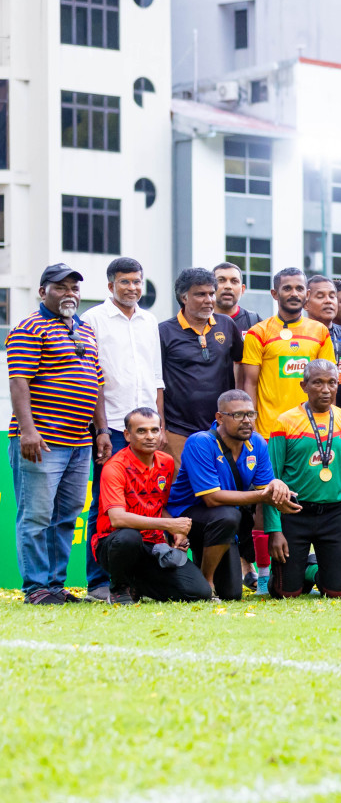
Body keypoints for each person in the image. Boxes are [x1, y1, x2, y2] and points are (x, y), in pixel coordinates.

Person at [6, 263, 108, 604]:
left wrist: (102, 431)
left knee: (66, 517)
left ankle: (55, 584)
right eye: (61, 287)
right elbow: (19, 382)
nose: (69, 293)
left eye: (74, 288)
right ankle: (36, 588)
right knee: (36, 516)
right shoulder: (29, 328)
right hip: (42, 441)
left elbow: (97, 384)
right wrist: (28, 431)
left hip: (80, 442)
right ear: (42, 292)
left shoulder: (85, 331)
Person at [80, 256, 165, 599]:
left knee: (148, 501)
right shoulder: (92, 320)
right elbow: (92, 379)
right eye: (125, 282)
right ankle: (98, 582)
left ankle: (135, 581)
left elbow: (157, 379)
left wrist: (159, 429)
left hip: (147, 428)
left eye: (137, 282)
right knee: (104, 505)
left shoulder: (149, 320)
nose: (132, 288)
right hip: (112, 426)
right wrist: (100, 429)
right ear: (110, 285)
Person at [166, 389, 299, 600]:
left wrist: (280, 494)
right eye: (238, 415)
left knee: (232, 593)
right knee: (228, 515)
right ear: (219, 418)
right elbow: (212, 499)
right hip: (185, 518)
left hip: (222, 524)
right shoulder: (200, 442)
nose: (246, 421)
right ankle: (205, 582)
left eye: (250, 414)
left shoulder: (257, 443)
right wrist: (264, 496)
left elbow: (265, 489)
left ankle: (206, 572)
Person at [264, 360, 341, 598]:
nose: (326, 389)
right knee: (285, 593)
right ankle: (300, 570)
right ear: (304, 386)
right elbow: (271, 479)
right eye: (318, 382)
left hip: (335, 514)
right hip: (294, 513)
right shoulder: (285, 422)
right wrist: (274, 531)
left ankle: (312, 571)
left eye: (332, 382)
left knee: (338, 591)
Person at [93, 407, 212, 603]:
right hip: (114, 543)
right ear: (127, 435)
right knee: (128, 538)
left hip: (154, 545)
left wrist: (177, 531)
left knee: (199, 592)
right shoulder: (115, 467)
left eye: (154, 430)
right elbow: (117, 518)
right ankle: (118, 588)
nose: (150, 436)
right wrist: (169, 525)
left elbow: (160, 506)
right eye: (141, 431)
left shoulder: (166, 462)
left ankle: (137, 584)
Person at [241, 266, 336, 438]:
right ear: (275, 294)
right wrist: (250, 423)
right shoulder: (258, 332)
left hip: (311, 430)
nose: (294, 294)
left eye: (299, 288)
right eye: (287, 288)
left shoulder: (320, 331)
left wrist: (330, 424)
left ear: (307, 295)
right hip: (269, 431)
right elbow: (250, 383)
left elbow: (329, 383)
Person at [159, 267, 243, 460]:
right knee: (183, 487)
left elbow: (241, 364)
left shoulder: (227, 325)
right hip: (178, 431)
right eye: (200, 294)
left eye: (211, 293)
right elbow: (157, 383)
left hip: (221, 429)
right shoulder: (164, 332)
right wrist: (161, 427)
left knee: (220, 487)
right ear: (183, 297)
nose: (209, 300)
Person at [212, 262, 261, 334]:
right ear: (210, 287)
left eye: (234, 281)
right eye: (221, 280)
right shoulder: (198, 321)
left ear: (242, 289)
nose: (228, 286)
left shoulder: (254, 322)